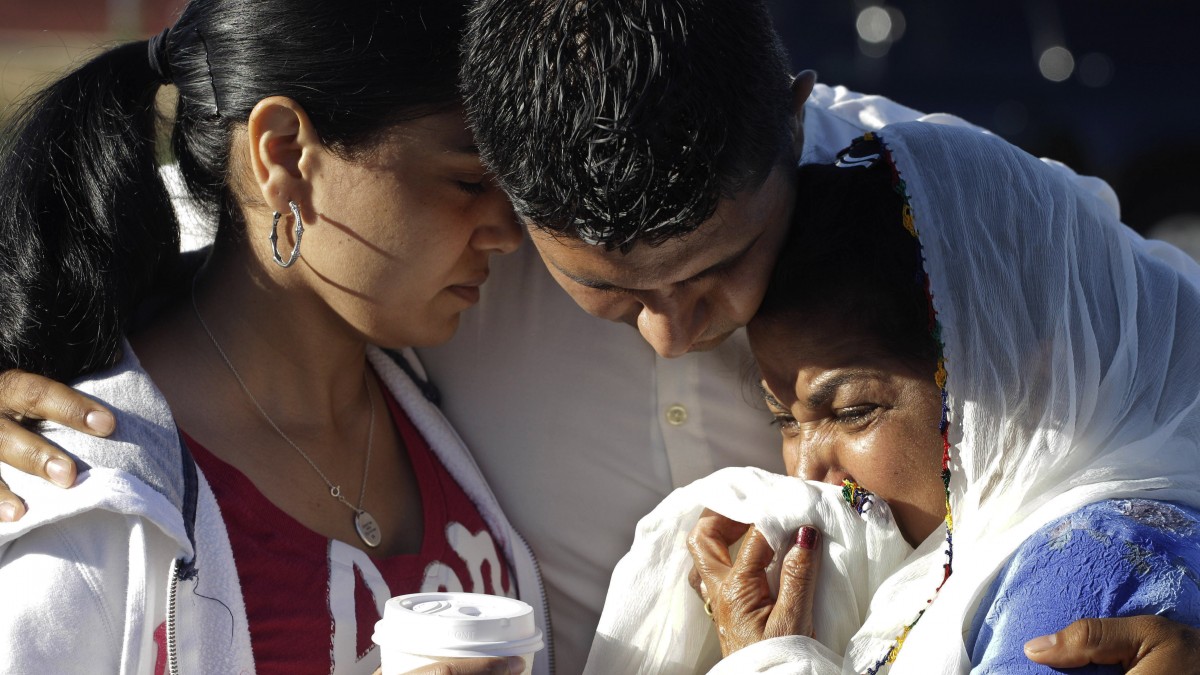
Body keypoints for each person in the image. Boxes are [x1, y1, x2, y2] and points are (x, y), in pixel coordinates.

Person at [0, 0, 1195, 672]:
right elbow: (230, 210)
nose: (676, 336)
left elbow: (1169, 372)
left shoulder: (928, 212)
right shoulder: (453, 253)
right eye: (613, 299)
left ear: (791, 128)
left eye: (724, 269)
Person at [0, 1, 544, 673]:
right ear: (283, 152)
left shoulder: (444, 377)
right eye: (467, 180)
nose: (508, 232)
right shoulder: (75, 499)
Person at [587, 127, 1200, 673]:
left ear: (1012, 376)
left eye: (853, 412)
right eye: (785, 420)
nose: (808, 474)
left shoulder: (1088, 580)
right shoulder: (958, 564)